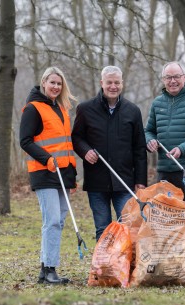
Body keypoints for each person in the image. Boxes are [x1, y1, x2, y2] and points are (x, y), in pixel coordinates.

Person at [71, 65, 147, 241]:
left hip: (125, 181)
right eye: (109, 82)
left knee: (127, 228)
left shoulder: (132, 111)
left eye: (117, 83)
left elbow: (139, 148)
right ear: (102, 83)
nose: (113, 86)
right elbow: (76, 137)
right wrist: (85, 151)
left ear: (122, 84)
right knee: (103, 229)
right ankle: (104, 267)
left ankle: (124, 267)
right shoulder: (85, 109)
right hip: (97, 181)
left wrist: (140, 181)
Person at [20, 67, 77, 285]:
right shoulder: (33, 108)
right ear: (44, 82)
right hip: (44, 172)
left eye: (59, 84)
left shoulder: (62, 109)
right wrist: (46, 159)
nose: (55, 87)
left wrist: (73, 175)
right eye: (52, 82)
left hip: (64, 174)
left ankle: (45, 270)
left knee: (58, 221)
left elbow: (65, 145)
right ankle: (51, 269)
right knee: (51, 220)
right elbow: (25, 140)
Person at [145, 61, 185, 235]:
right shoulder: (157, 103)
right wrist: (150, 140)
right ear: (163, 80)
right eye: (168, 77)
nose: (172, 81)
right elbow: (149, 130)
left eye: (176, 77)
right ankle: (168, 261)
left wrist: (182, 149)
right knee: (164, 219)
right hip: (165, 170)